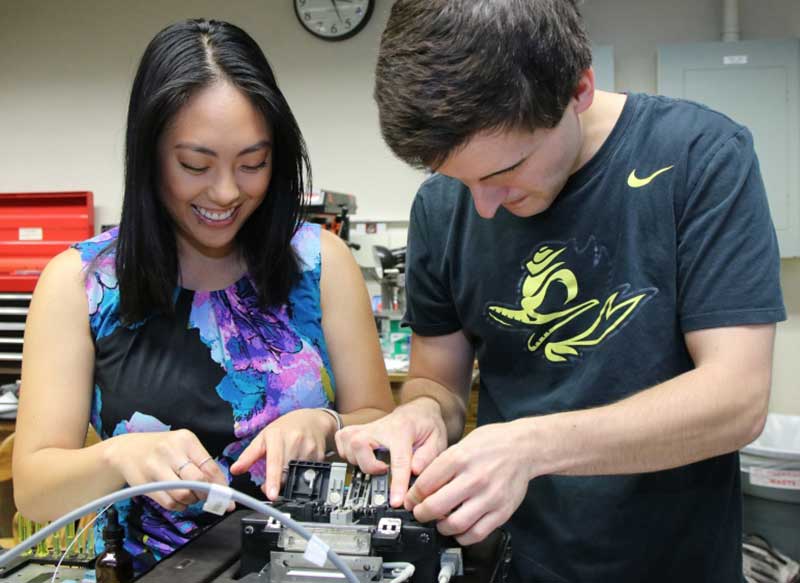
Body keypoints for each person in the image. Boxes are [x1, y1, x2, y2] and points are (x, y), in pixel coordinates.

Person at [335, 1, 786, 581]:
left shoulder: (701, 158)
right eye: (459, 178)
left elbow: (736, 399)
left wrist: (530, 447)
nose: (483, 205)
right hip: (518, 561)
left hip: (675, 561)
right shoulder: (442, 207)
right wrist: (419, 414)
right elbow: (435, 382)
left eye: (504, 172)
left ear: (579, 89)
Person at [13, 18, 394, 572]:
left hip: (306, 567)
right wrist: (122, 455)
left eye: (253, 164)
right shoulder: (80, 286)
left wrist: (328, 426)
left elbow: (380, 429)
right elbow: (34, 490)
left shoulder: (321, 265)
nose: (226, 192)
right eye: (195, 165)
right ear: (148, 156)